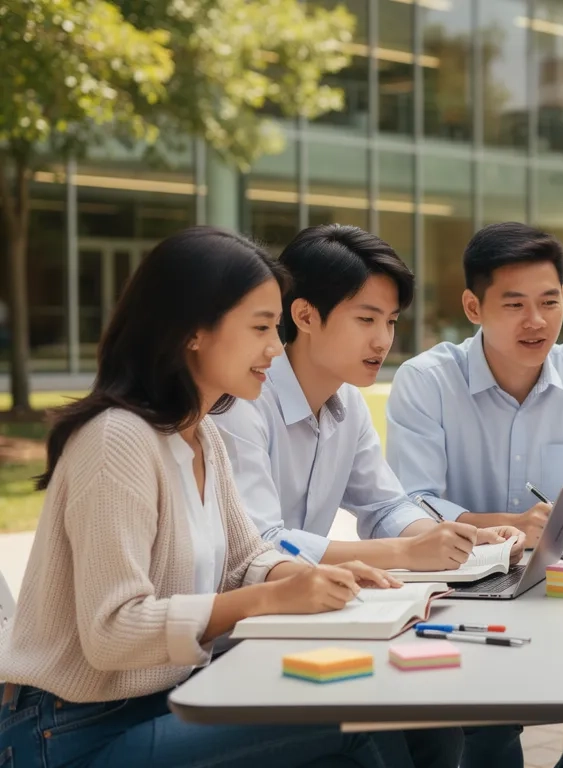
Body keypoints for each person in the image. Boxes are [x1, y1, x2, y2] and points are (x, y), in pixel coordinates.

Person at [0, 227, 441, 768]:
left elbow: (246, 558)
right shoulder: (118, 440)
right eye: (260, 328)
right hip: (69, 729)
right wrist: (267, 598)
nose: (275, 348)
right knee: (346, 720)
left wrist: (300, 580)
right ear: (193, 332)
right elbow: (112, 631)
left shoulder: (201, 432)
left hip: (164, 699)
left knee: (397, 716)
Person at [386, 222, 563, 768]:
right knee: (485, 718)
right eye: (515, 304)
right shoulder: (426, 381)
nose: (537, 321)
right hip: (462, 591)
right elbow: (409, 501)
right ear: (473, 307)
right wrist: (508, 524)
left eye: (550, 301)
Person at [215, 224, 524, 571]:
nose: (383, 340)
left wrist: (457, 539)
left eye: (390, 321)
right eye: (366, 319)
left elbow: (386, 508)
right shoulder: (242, 403)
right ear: (305, 316)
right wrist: (404, 554)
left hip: (300, 603)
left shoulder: (346, 401)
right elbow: (264, 541)